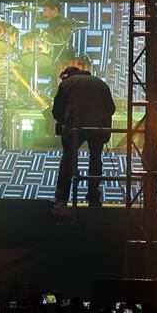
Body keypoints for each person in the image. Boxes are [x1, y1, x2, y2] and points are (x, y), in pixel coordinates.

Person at [50, 56, 114, 207]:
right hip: (97, 128)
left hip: (75, 127)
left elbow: (56, 110)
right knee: (95, 161)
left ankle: (61, 199)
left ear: (67, 74)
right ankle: (93, 197)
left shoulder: (66, 83)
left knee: (68, 161)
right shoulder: (100, 83)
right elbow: (111, 108)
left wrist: (62, 122)